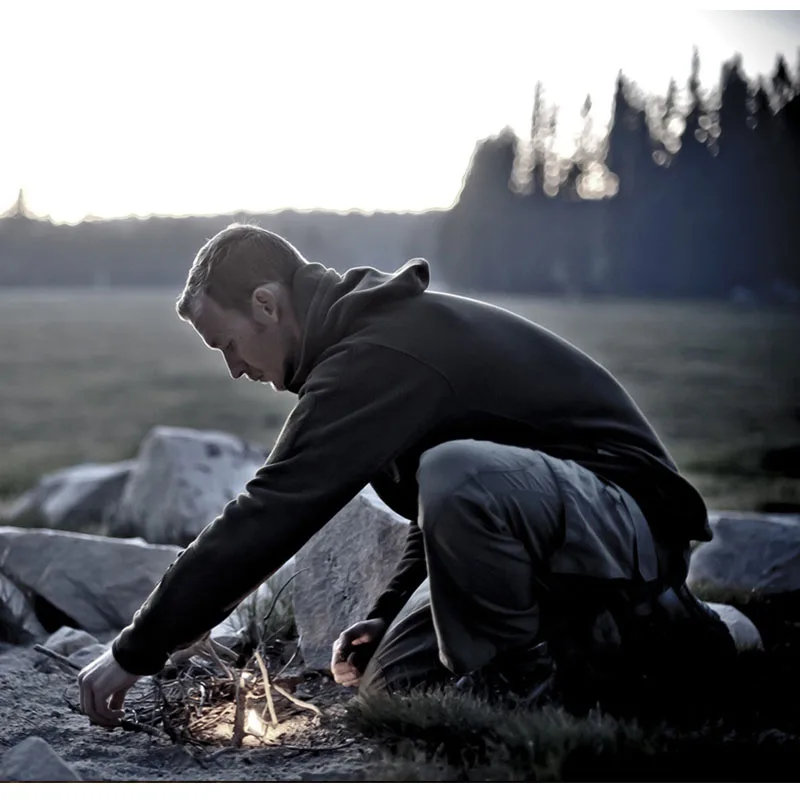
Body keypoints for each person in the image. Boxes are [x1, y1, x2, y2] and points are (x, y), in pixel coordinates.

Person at [77, 223, 730, 727]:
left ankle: (519, 710)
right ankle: (673, 636)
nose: (235, 368)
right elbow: (444, 509)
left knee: (457, 473)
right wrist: (386, 614)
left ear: (267, 305)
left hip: (631, 517)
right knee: (392, 685)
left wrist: (137, 649)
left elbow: (274, 508)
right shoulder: (361, 350)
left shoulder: (375, 354)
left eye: (228, 344)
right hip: (557, 536)